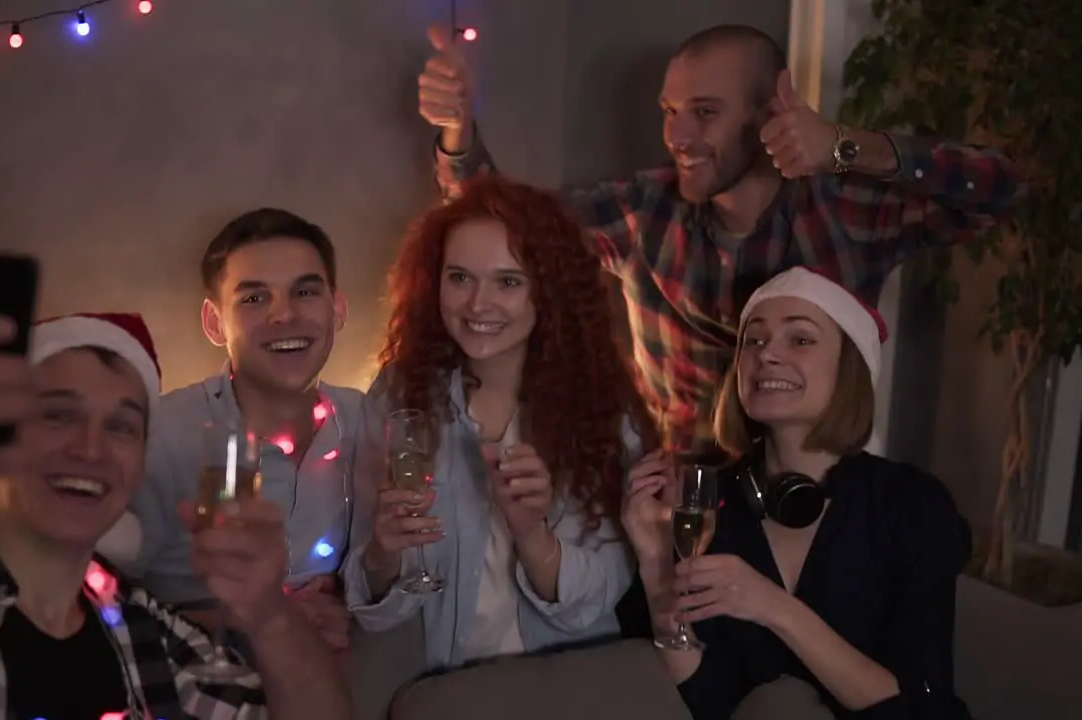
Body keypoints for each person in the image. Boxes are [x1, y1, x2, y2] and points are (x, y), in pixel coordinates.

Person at [416, 22, 1023, 455]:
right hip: (677, 498)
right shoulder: (642, 211)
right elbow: (503, 222)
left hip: (812, 498)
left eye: (704, 112)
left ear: (770, 112)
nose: (677, 134)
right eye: (668, 109)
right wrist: (458, 130)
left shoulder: (846, 210)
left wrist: (847, 146)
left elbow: (1001, 188)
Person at [0, 311, 351, 720]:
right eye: (58, 416)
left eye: (120, 427)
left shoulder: (144, 630)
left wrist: (269, 615)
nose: (90, 449)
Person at [622, 267, 973, 719]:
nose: (767, 355)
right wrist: (655, 564)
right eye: (754, 340)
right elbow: (707, 701)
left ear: (849, 367)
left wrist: (774, 607)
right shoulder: (711, 501)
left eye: (800, 339)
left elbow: (923, 704)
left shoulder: (911, 504)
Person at [344, 175, 662, 671]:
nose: (477, 304)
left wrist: (532, 535)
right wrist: (384, 552)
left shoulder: (604, 414)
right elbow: (376, 609)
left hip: (568, 684)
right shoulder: (399, 396)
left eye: (508, 281)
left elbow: (596, 603)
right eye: (459, 277)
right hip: (449, 686)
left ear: (548, 291)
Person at [118, 209, 361, 654]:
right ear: (215, 323)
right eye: (254, 299)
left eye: (304, 291)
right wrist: (260, 620)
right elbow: (87, 600)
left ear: (337, 308)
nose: (284, 315)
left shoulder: (366, 422)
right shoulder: (160, 439)